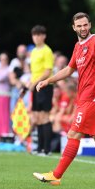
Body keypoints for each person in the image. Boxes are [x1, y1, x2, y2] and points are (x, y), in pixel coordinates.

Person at [33, 12, 95, 187]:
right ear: (74, 27)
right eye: (79, 26)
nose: (83, 28)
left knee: (73, 134)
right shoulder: (77, 46)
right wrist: (47, 80)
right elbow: (68, 70)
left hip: (93, 98)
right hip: (86, 98)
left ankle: (56, 175)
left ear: (89, 25)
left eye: (85, 25)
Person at [30, 25, 54, 155]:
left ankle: (47, 149)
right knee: (37, 116)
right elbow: (34, 71)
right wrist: (30, 83)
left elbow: (47, 71)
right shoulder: (33, 51)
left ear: (44, 36)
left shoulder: (47, 51)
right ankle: (39, 148)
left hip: (44, 86)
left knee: (45, 116)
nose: (36, 37)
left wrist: (34, 83)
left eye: (39, 34)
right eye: (34, 35)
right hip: (35, 86)